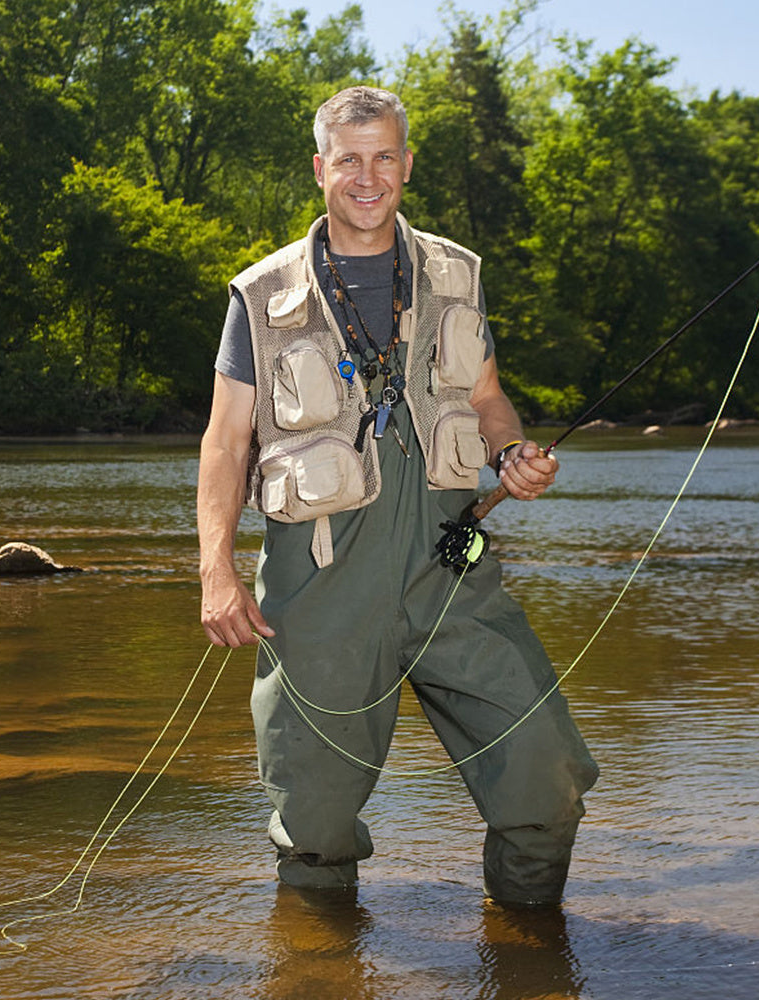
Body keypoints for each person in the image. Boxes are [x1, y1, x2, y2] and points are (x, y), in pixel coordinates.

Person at [197, 86, 598, 906]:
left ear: (407, 164)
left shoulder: (456, 275)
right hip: (319, 585)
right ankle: (317, 970)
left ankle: (528, 956)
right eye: (350, 159)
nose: (368, 176)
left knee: (545, 778)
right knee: (314, 826)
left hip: (450, 567)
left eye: (385, 156)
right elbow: (225, 443)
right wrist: (216, 569)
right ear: (321, 169)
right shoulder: (261, 295)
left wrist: (511, 450)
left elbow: (486, 397)